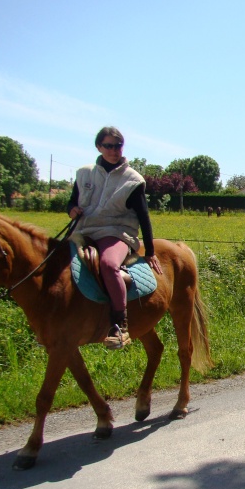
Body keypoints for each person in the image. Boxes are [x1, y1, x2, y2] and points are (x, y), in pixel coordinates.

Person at [67, 126, 163, 349]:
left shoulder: (133, 180)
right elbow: (72, 201)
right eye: (108, 146)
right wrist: (72, 210)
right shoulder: (84, 173)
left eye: (117, 145)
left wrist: (149, 252)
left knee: (109, 264)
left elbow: (144, 217)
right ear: (99, 147)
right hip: (83, 231)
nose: (113, 150)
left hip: (117, 232)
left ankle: (120, 324)